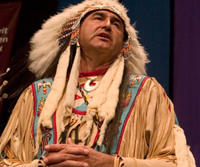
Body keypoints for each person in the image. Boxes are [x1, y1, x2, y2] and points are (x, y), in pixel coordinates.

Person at [0, 0, 196, 166]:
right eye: (98, 18)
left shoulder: (145, 92)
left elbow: (176, 161)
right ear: (75, 33)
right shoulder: (37, 94)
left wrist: (111, 163)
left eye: (116, 24)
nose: (107, 25)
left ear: (124, 47)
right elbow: (6, 160)